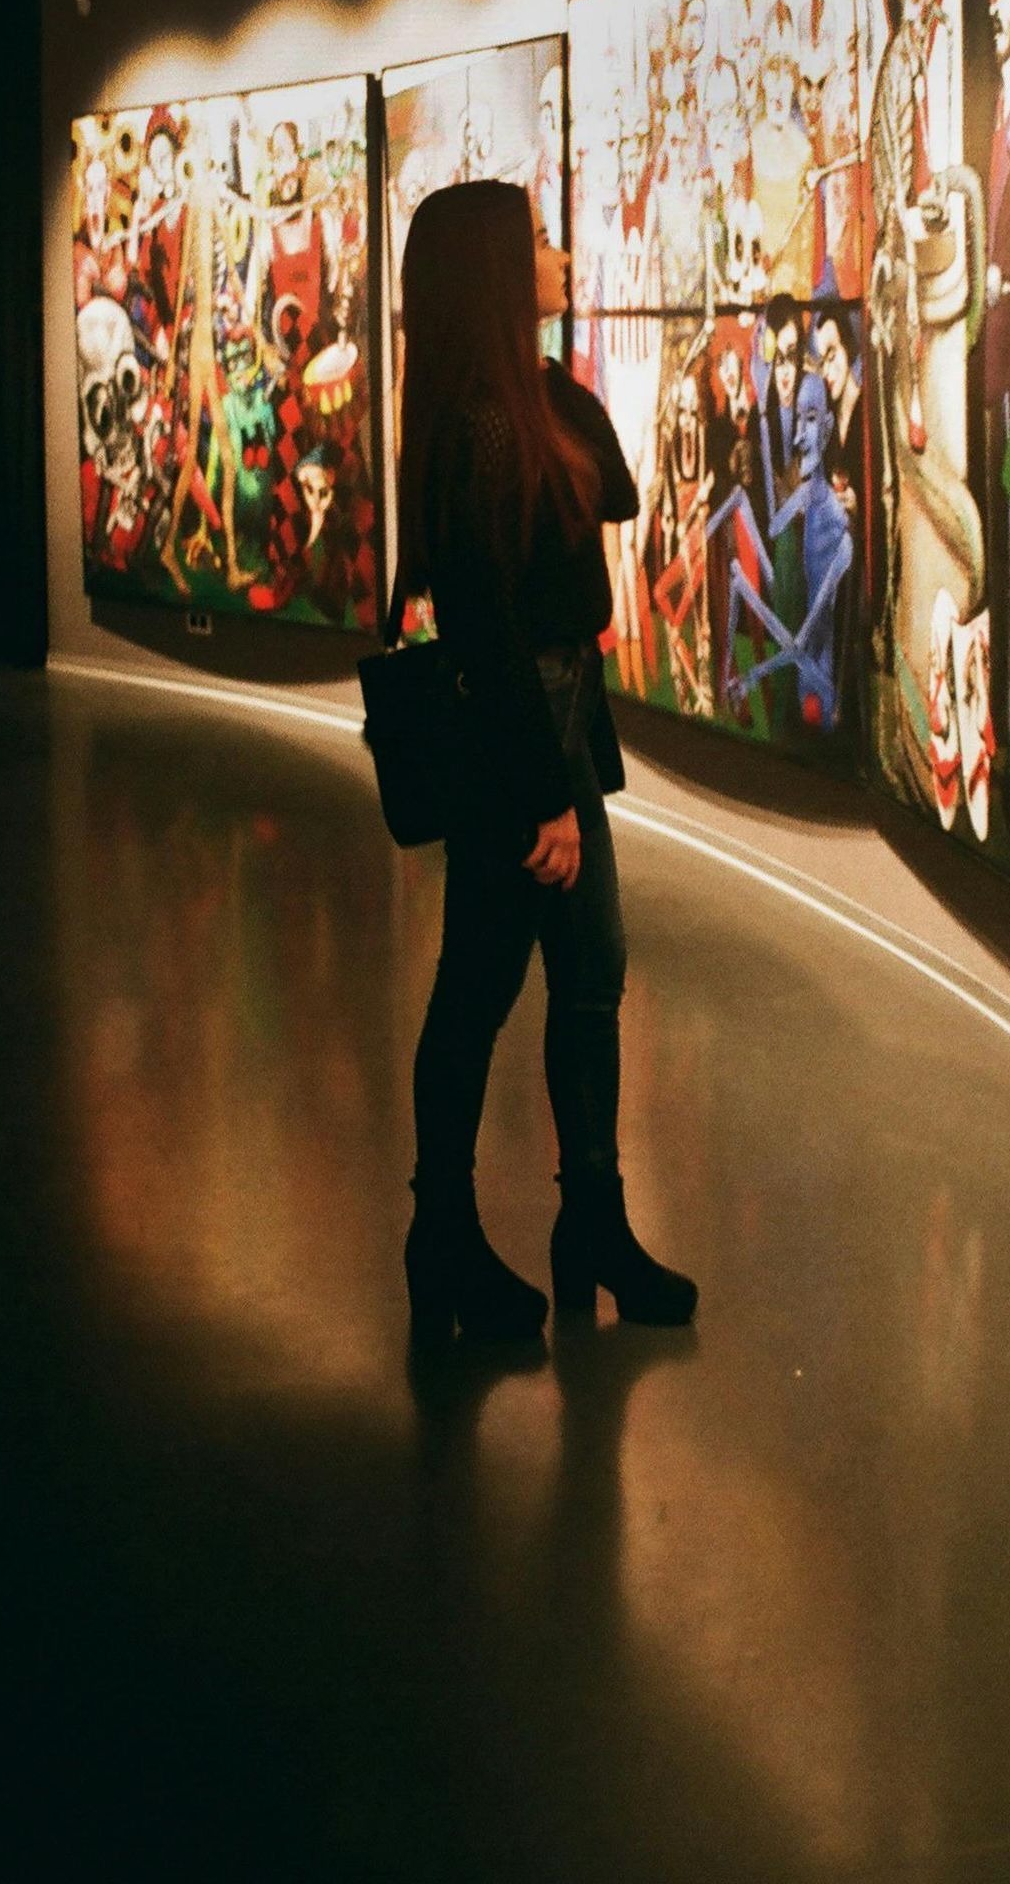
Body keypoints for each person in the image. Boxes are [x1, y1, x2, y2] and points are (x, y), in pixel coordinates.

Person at [395, 179, 698, 1345]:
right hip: (525, 748)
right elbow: (491, 635)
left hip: (558, 733)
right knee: (480, 988)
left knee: (587, 974)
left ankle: (593, 1228)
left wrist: (540, 368)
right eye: (537, 244)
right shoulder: (478, 431)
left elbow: (614, 488)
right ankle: (448, 1241)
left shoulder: (512, 407)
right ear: (494, 276)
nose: (562, 254)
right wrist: (548, 803)